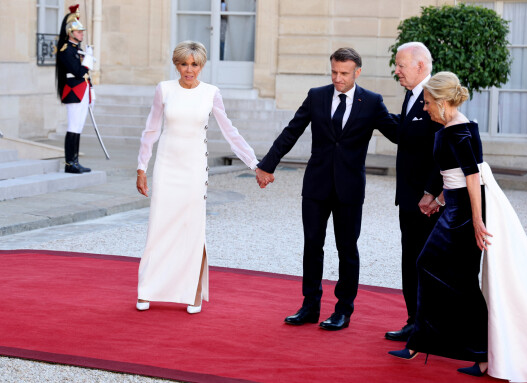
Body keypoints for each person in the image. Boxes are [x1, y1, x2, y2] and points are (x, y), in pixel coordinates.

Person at [388, 72, 527, 382]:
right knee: (446, 274)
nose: (424, 109)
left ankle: (466, 349)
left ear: (441, 101)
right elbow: (451, 175)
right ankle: (447, 347)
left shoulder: (460, 131)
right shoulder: (448, 128)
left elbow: (473, 178)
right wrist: (437, 199)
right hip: (454, 208)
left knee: (445, 273)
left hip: (464, 214)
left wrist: (476, 220)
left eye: (426, 103)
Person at [255, 47, 397, 331]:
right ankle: (310, 306)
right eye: (334, 71)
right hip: (317, 185)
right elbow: (291, 130)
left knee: (347, 249)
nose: (337, 78)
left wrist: (433, 120)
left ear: (357, 72)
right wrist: (267, 165)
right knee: (312, 246)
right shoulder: (317, 95)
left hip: (350, 188)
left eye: (344, 73)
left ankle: (343, 310)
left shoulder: (371, 102)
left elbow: (398, 133)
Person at [135, 41, 259, 314]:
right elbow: (151, 130)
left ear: (202, 66)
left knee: (192, 229)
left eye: (194, 64)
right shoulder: (164, 89)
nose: (189, 70)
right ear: (176, 64)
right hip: (167, 167)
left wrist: (254, 164)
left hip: (194, 170)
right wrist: (141, 168)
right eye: (183, 64)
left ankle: (193, 293)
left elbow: (230, 132)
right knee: (159, 227)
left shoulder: (211, 93)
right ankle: (147, 290)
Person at [384, 42, 443, 342]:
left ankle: (432, 325)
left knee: (429, 262)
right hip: (408, 198)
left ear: (420, 66)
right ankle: (415, 321)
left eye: (401, 65)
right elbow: (406, 136)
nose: (397, 70)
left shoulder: (437, 96)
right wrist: (377, 115)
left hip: (428, 203)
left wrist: (431, 192)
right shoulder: (410, 95)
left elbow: (444, 149)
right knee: (411, 259)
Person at [55, 4, 95, 174]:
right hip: (73, 91)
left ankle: (75, 161)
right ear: (71, 33)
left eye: (82, 32)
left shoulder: (77, 50)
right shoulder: (65, 51)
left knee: (78, 127)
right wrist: (88, 59)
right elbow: (78, 71)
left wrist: (91, 88)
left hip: (82, 91)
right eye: (79, 32)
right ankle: (69, 163)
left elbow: (85, 76)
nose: (82, 34)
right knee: (73, 126)